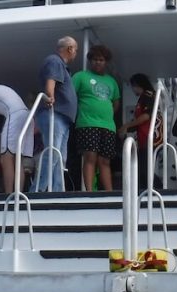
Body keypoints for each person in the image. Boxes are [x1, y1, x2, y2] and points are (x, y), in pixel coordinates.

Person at [71, 45, 120, 192]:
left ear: (106, 62)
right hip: (87, 123)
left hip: (108, 126)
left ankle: (109, 192)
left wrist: (106, 113)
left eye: (101, 60)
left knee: (105, 160)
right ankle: (90, 192)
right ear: (90, 61)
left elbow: (116, 102)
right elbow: (70, 96)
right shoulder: (80, 76)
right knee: (90, 157)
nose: (98, 62)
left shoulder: (112, 81)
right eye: (95, 60)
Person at [33, 36, 78, 192]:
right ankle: (37, 190)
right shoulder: (55, 60)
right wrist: (50, 96)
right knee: (52, 153)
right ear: (70, 48)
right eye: (75, 49)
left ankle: (58, 190)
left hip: (63, 118)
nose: (75, 53)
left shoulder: (61, 65)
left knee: (60, 157)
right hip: (54, 114)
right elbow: (51, 80)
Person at [119, 73, 162, 190]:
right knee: (141, 169)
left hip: (151, 138)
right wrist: (126, 128)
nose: (132, 89)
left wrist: (127, 125)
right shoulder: (143, 97)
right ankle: (145, 192)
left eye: (133, 86)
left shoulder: (147, 96)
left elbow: (146, 116)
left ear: (138, 85)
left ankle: (158, 189)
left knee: (144, 170)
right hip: (144, 138)